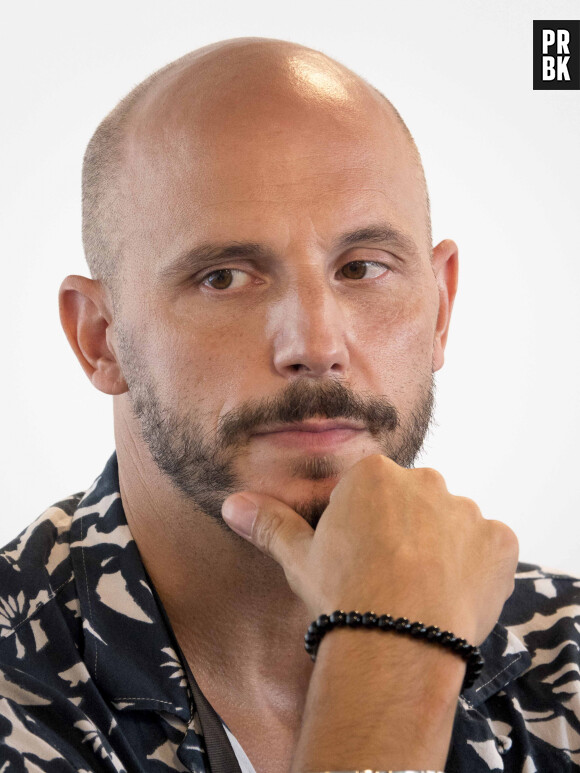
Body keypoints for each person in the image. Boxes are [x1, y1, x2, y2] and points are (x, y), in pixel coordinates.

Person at [0, 37, 578, 773]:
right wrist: (388, 661)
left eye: (363, 267)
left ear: (440, 310)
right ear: (99, 338)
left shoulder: (566, 649)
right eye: (225, 278)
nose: (315, 342)